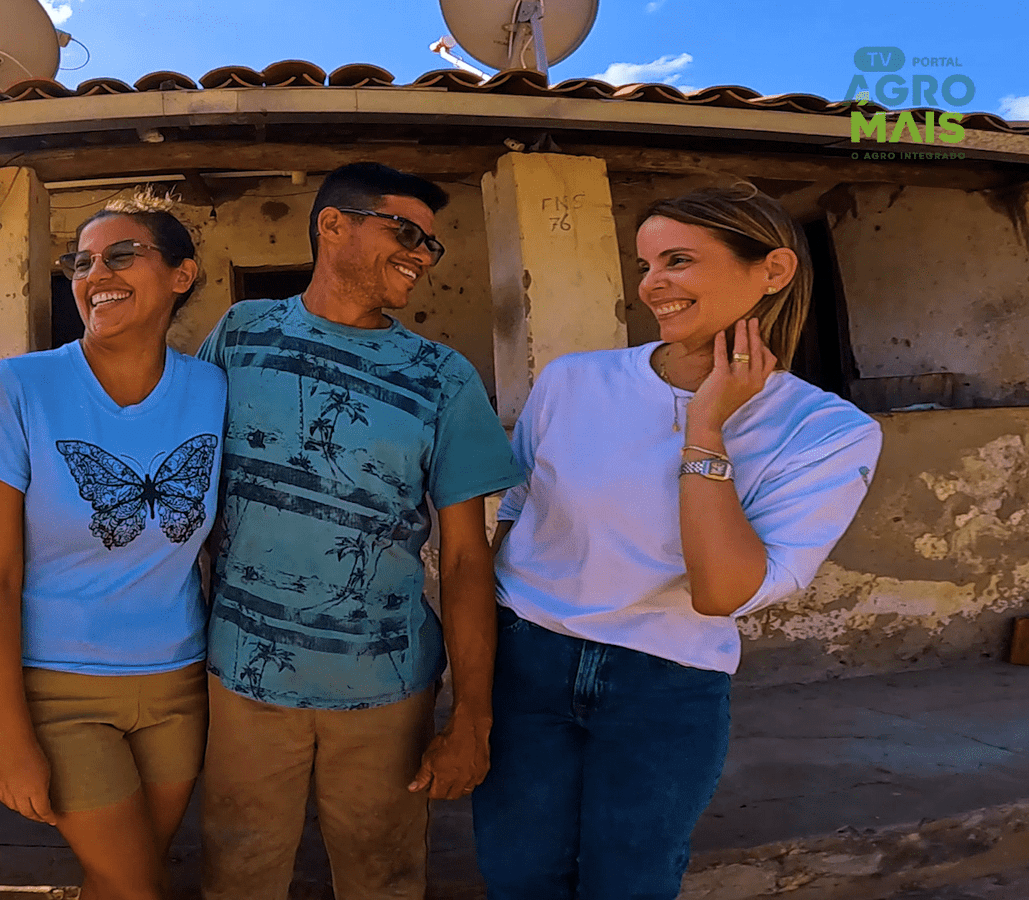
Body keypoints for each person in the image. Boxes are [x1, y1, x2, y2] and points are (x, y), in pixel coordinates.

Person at [470, 184, 884, 899]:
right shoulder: (572, 381)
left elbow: (722, 591)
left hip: (665, 684)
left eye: (679, 260)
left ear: (774, 271)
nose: (652, 285)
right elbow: (512, 524)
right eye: (646, 264)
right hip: (528, 663)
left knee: (629, 883)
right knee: (518, 875)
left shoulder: (828, 431)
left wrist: (707, 427)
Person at [195, 162, 523, 900]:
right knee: (236, 876)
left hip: (388, 687)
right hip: (243, 678)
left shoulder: (441, 375)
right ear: (332, 226)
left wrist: (473, 715)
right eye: (404, 231)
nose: (421, 254)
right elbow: (189, 488)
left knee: (384, 879)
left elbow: (468, 558)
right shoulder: (242, 335)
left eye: (431, 244)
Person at [0, 193, 225, 900]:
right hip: (59, 688)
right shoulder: (20, 386)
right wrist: (12, 741)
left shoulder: (213, 389)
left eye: (122, 254)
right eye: (83, 261)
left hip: (177, 685)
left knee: (123, 876)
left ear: (182, 276)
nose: (95, 272)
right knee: (136, 886)